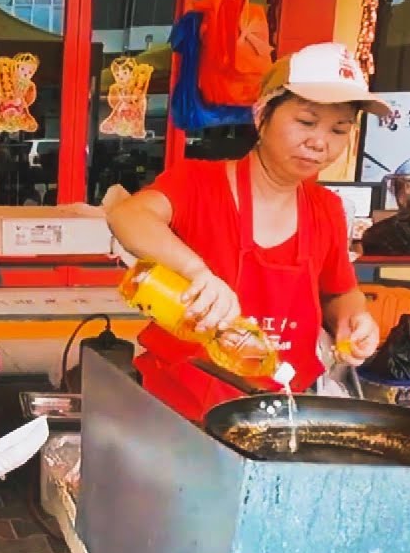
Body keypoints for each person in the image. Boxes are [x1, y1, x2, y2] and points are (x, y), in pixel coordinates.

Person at [107, 42, 384, 421]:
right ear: (262, 115)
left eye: (339, 129)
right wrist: (199, 274)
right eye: (305, 121)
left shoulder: (326, 209)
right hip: (180, 407)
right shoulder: (198, 183)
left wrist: (353, 321)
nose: (320, 142)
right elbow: (128, 217)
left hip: (280, 406)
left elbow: (338, 291)